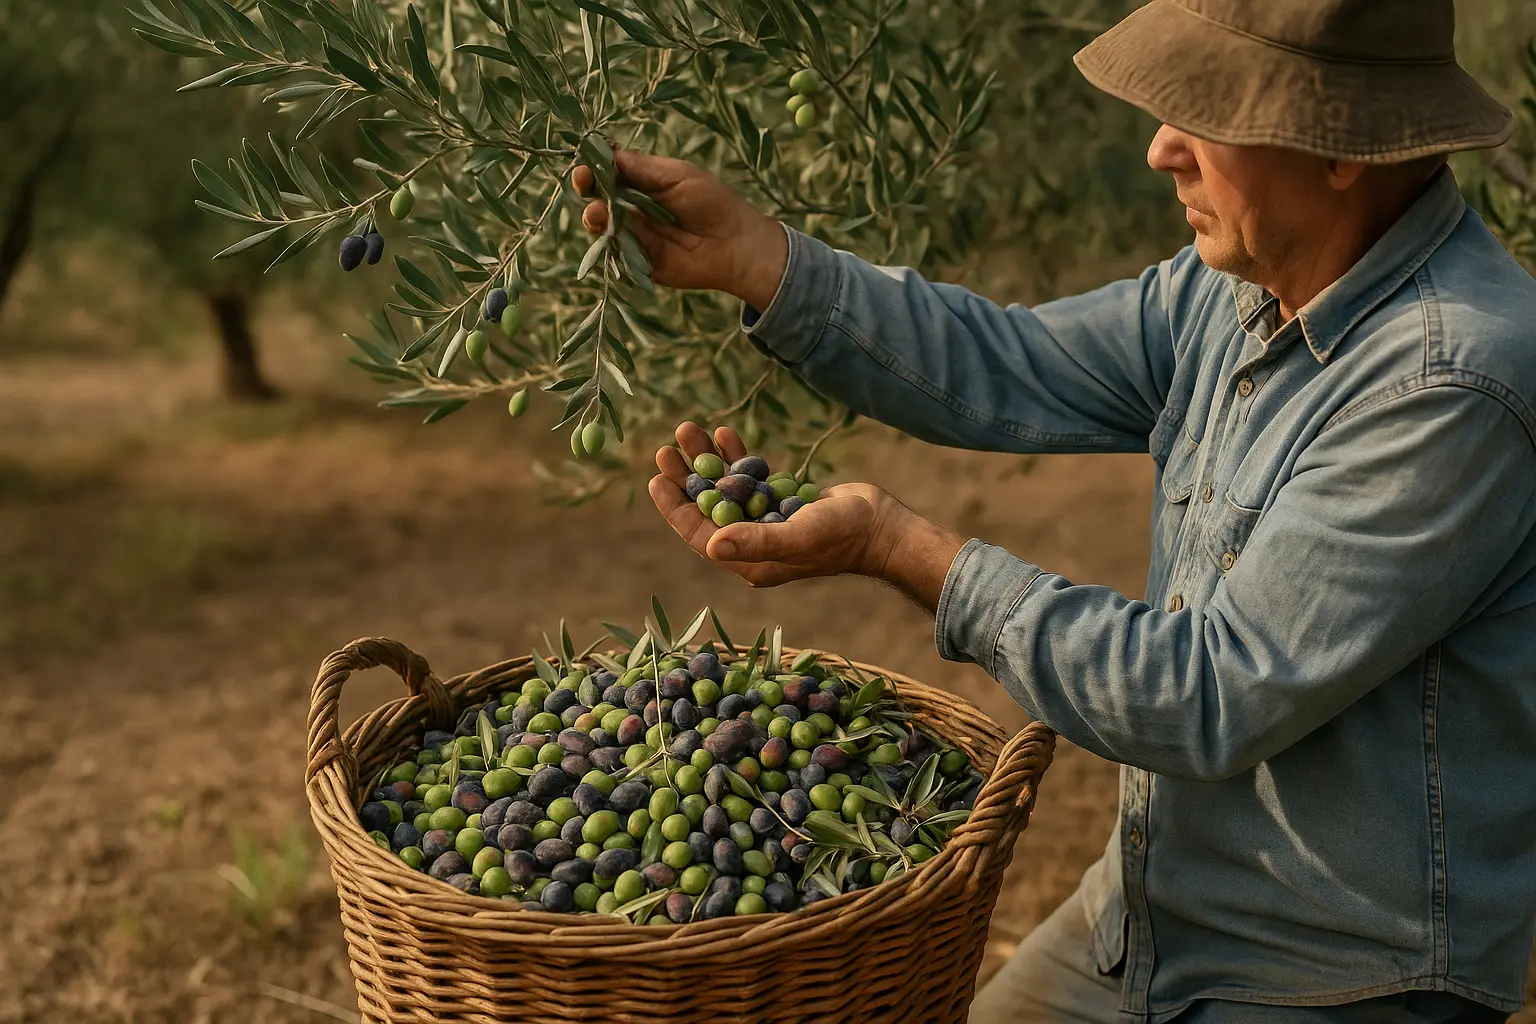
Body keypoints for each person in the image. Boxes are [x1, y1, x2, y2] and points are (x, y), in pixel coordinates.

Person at [575, 0, 1536, 1019]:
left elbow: (1206, 693)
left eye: (1204, 111)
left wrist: (902, 549)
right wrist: (759, 258)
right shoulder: (1241, 287)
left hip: (1337, 976)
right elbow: (1013, 363)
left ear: (1340, 143)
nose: (1162, 148)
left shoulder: (1450, 382)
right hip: (1151, 914)